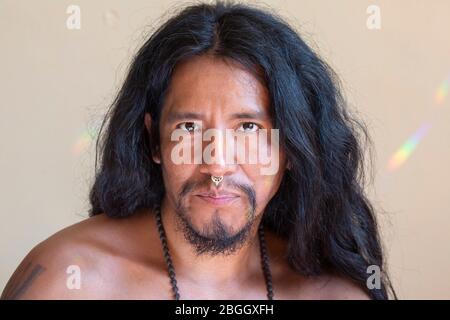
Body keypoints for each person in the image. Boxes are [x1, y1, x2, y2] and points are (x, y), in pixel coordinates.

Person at [1, 1, 395, 300]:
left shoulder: (331, 294)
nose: (217, 164)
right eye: (189, 128)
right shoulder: (68, 280)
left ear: (291, 148)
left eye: (247, 128)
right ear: (155, 140)